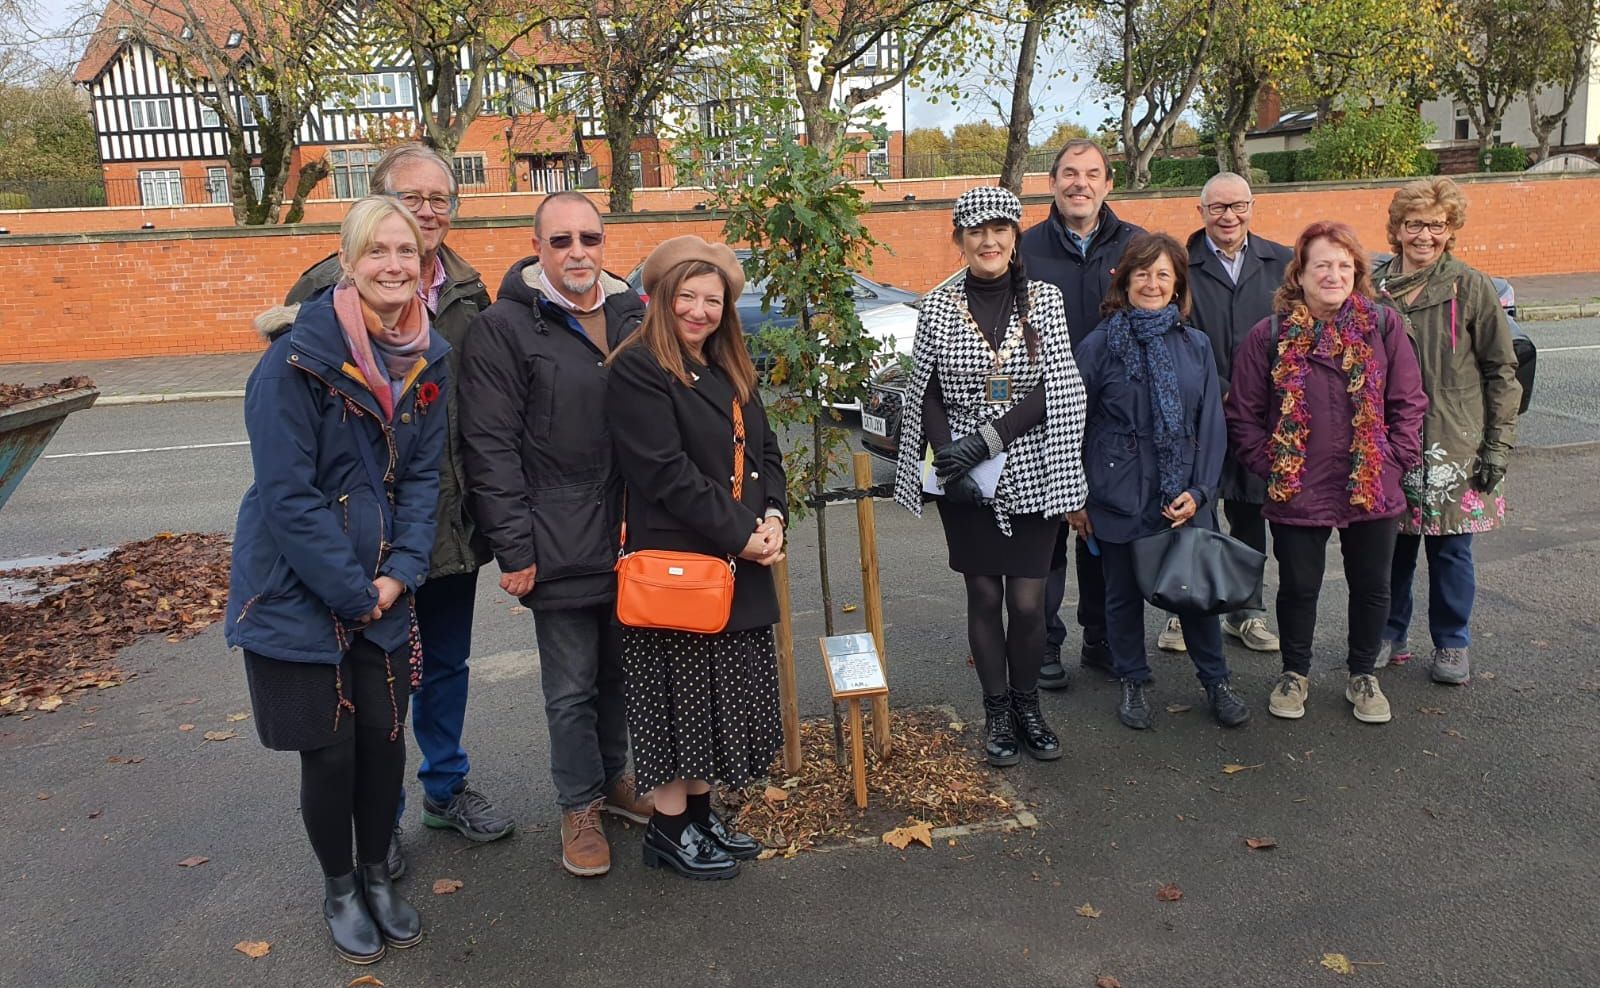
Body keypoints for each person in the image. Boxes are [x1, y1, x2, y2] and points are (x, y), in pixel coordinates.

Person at [228, 196, 449, 963]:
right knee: (330, 751)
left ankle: (381, 873)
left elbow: (422, 481)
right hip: (296, 593)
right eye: (379, 251)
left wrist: (402, 573)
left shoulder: (428, 357)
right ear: (348, 263)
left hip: (382, 587)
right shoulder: (293, 362)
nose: (395, 266)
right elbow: (287, 496)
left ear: (424, 268)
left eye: (408, 254)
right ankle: (341, 885)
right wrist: (356, 594)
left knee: (386, 742)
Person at [286, 142, 509, 878]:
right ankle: (377, 821)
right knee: (370, 681)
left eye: (439, 199)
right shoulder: (324, 288)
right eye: (410, 198)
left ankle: (444, 787)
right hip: (362, 536)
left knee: (446, 665)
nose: (426, 212)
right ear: (375, 205)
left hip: (447, 520)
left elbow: (489, 409)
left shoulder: (471, 294)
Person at [458, 191, 652, 878]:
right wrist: (515, 548)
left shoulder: (633, 311)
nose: (578, 253)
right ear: (536, 246)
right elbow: (490, 446)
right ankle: (579, 808)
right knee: (570, 687)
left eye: (590, 239)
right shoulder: (504, 328)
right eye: (562, 240)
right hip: (557, 536)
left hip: (635, 534)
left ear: (605, 244)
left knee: (621, 675)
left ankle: (614, 782)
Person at [605, 235, 788, 880]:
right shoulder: (638, 367)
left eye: (714, 300)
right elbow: (663, 472)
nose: (701, 311)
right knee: (676, 700)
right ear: (661, 298)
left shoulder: (729, 368)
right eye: (688, 296)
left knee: (714, 699)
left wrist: (772, 517)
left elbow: (767, 453)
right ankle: (669, 829)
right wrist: (742, 533)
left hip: (736, 560)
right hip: (681, 565)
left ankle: (701, 817)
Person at [893, 187, 1088, 766]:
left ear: (1014, 236)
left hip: (1030, 464)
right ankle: (996, 710)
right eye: (976, 231)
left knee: (1028, 602)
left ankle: (1029, 705)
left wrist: (988, 439)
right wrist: (949, 453)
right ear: (959, 240)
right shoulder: (937, 305)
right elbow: (923, 387)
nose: (989, 240)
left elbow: (1056, 387)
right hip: (963, 473)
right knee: (982, 594)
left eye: (1000, 229)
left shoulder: (1045, 301)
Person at [1225, 221, 1428, 725]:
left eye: (1344, 265)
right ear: (1301, 273)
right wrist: (1272, 465)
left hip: (1371, 482)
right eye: (1322, 264)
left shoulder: (1383, 327)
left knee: (1372, 585)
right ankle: (1295, 673)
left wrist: (1396, 459)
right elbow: (1243, 413)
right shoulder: (1268, 334)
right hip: (1298, 486)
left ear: (1356, 272)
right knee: (1298, 586)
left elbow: (1408, 403)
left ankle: (1363, 674)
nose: (1333, 274)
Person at [1075, 232, 1249, 730]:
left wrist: (1199, 492)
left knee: (1196, 594)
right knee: (1121, 595)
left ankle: (1215, 680)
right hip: (1116, 491)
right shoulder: (1098, 345)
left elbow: (1212, 426)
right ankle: (1132, 679)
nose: (1152, 283)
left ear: (1177, 286)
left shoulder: (1195, 345)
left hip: (1182, 495)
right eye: (1142, 273)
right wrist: (1076, 497)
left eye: (1163, 275)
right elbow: (1073, 423)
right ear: (1125, 281)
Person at [1372, 178, 1521, 684]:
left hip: (1456, 442)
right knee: (1390, 547)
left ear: (1450, 229)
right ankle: (1387, 633)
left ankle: (1451, 642)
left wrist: (1498, 444)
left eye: (1436, 225)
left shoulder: (1471, 286)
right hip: (1389, 441)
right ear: (1397, 229)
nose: (1424, 236)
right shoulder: (1372, 288)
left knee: (1452, 550)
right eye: (1414, 224)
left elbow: (1502, 370)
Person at [1020, 139, 1145, 689]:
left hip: (1113, 421)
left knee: (1104, 535)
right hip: (1044, 415)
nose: (1080, 183)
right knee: (1047, 537)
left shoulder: (1137, 246)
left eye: (1092, 174)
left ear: (1108, 183)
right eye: (1069, 173)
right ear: (1052, 182)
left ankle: (1101, 639)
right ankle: (1044, 642)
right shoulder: (1026, 249)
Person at [1167, 171, 1293, 656]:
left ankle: (1245, 612)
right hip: (1196, 413)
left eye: (1238, 206)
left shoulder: (1281, 262)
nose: (1228, 216)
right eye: (1218, 207)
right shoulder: (1181, 265)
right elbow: (1172, 333)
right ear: (1201, 212)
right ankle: (1184, 611)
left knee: (1249, 514)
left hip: (1260, 417)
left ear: (1252, 207)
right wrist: (1220, 389)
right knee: (1193, 514)